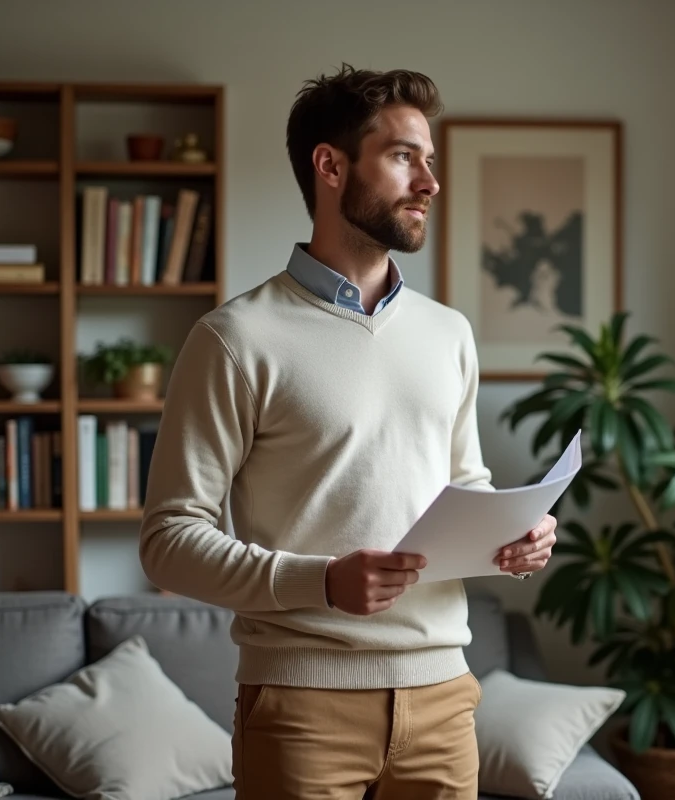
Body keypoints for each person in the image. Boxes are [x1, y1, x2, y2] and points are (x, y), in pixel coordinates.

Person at [138, 64, 557, 800]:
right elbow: (168, 543)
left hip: (444, 699)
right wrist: (322, 582)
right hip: (300, 706)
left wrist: (515, 540)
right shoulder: (234, 339)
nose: (429, 181)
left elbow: (465, 487)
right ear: (330, 166)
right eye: (403, 157)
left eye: (430, 160)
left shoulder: (449, 334)